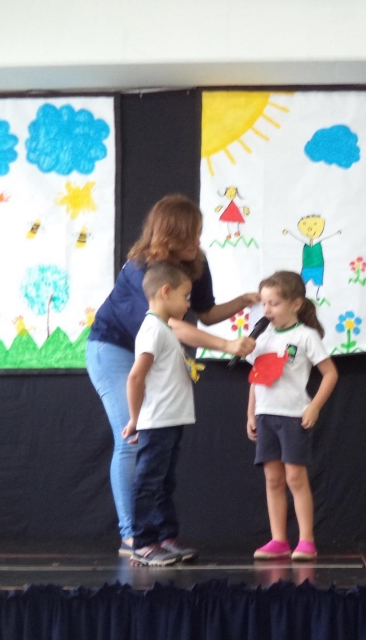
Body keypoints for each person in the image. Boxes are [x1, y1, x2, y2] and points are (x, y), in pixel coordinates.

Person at [87, 195, 258, 554]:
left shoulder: (196, 262)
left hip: (153, 351)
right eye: (188, 235)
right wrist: (228, 346)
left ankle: (161, 534)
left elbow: (206, 313)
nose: (197, 242)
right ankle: (133, 535)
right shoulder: (142, 269)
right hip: (113, 349)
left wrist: (244, 301)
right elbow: (173, 325)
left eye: (198, 233)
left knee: (160, 453)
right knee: (132, 438)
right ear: (166, 236)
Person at [246, 271, 338, 561]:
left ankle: (306, 540)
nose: (266, 310)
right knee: (273, 479)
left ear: (295, 304)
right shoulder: (262, 337)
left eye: (273, 303)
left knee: (295, 477)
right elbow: (256, 378)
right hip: (265, 417)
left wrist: (314, 406)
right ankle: (278, 540)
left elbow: (330, 374)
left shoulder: (306, 336)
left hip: (292, 417)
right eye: (264, 303)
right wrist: (251, 413)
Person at [120, 262, 198, 566]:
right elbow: (135, 377)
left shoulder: (164, 329)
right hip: (157, 421)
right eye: (185, 296)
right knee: (148, 483)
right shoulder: (152, 329)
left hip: (171, 420)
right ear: (166, 292)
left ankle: (166, 538)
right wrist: (135, 419)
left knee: (164, 483)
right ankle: (143, 543)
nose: (188, 303)